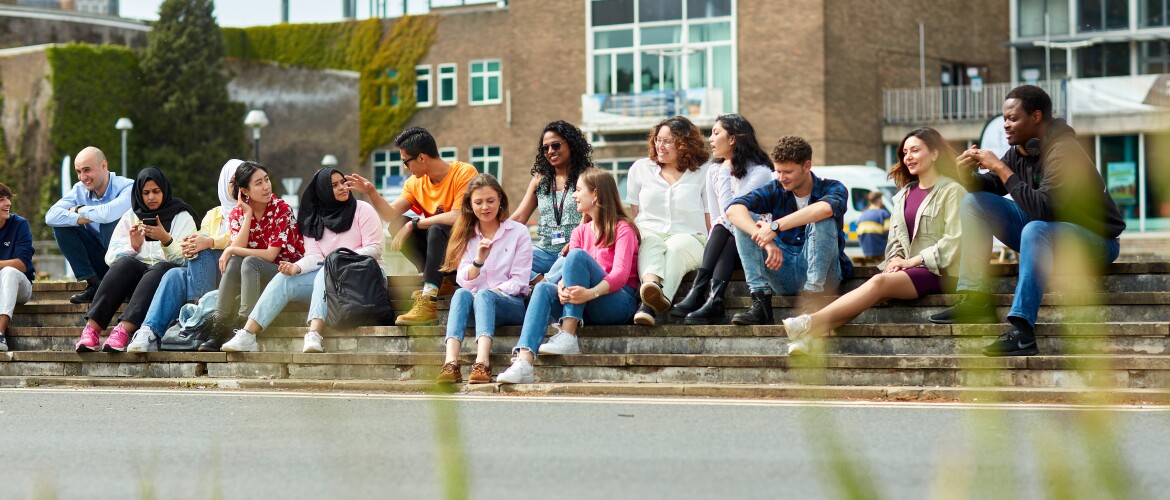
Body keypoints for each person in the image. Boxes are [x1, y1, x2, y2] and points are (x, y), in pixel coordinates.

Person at [929, 85, 1125, 357]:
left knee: (1035, 228)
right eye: (1004, 118)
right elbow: (992, 186)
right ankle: (975, 300)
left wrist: (1000, 166)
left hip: (1096, 240)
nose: (1006, 125)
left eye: (1013, 118)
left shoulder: (1064, 150)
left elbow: (1043, 208)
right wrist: (967, 176)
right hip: (1048, 232)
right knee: (974, 202)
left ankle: (1022, 333)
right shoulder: (1022, 150)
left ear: (1036, 117)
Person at [782, 128, 964, 355]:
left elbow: (955, 240)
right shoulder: (905, 194)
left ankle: (807, 322)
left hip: (940, 271)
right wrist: (896, 259)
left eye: (915, 150)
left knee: (878, 284)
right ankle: (807, 338)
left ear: (935, 154)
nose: (908, 157)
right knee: (873, 290)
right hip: (908, 271)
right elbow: (897, 239)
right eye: (905, 152)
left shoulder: (952, 191)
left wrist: (913, 261)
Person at [219, 167, 385, 353]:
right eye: (334, 185)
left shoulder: (363, 210)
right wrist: (296, 268)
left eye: (343, 183)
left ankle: (314, 333)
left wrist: (338, 260)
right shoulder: (314, 219)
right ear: (322, 190)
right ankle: (248, 334)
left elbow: (374, 249)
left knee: (327, 268)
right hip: (329, 282)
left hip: (363, 276)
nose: (342, 188)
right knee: (286, 278)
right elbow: (314, 257)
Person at [497, 170, 639, 384]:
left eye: (579, 190)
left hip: (617, 302)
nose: (574, 195)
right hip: (585, 304)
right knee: (544, 288)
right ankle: (524, 362)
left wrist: (590, 293)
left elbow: (619, 275)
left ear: (596, 195)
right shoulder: (579, 232)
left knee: (576, 255)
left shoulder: (623, 229)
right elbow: (571, 271)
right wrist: (563, 286)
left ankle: (568, 333)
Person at [348, 127, 478, 327]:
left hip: (465, 249)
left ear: (422, 158)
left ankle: (428, 301)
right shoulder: (414, 183)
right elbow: (390, 214)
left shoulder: (464, 172)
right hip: (440, 254)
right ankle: (437, 281)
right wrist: (371, 192)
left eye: (406, 162)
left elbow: (457, 216)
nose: (405, 168)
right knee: (397, 224)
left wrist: (416, 223)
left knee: (434, 227)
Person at [725, 135, 853, 325]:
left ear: (807, 166)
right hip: (782, 269)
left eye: (788, 172)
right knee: (746, 221)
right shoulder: (775, 188)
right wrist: (766, 241)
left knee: (822, 218)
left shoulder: (832, 187)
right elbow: (733, 211)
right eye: (778, 171)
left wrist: (775, 227)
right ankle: (760, 303)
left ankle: (811, 304)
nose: (781, 178)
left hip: (825, 277)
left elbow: (825, 209)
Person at [73, 167, 199, 352]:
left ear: (164, 190)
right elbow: (111, 257)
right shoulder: (131, 216)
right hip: (135, 280)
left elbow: (189, 258)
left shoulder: (181, 216)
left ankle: (123, 331)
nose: (151, 197)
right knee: (125, 263)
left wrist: (167, 240)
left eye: (156, 191)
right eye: (145, 193)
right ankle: (91, 330)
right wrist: (133, 246)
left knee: (160, 268)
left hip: (164, 279)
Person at [669, 115, 774, 324]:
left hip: (755, 248)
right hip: (728, 246)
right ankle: (713, 298)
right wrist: (721, 170)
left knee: (731, 220)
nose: (710, 139)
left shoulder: (760, 172)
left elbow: (732, 211)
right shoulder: (713, 170)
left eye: (716, 133)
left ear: (733, 139)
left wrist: (726, 171)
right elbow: (717, 217)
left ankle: (699, 292)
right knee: (724, 229)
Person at [127, 160, 240, 352]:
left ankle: (195, 320)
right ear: (223, 184)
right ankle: (149, 331)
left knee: (201, 247)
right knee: (174, 274)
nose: (238, 188)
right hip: (205, 274)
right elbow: (190, 250)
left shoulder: (254, 211)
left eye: (242, 182)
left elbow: (245, 240)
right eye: (232, 183)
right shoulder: (213, 214)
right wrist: (182, 245)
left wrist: (211, 242)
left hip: (232, 272)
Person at [437, 174, 532, 384]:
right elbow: (463, 280)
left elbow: (520, 282)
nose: (485, 207)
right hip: (476, 307)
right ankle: (451, 363)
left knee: (484, 296)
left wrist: (489, 294)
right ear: (470, 205)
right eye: (478, 202)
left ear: (500, 200)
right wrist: (478, 261)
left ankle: (483, 363)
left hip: (511, 305)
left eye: (490, 201)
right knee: (461, 293)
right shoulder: (466, 235)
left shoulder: (518, 232)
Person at [201, 161, 305, 352]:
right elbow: (239, 248)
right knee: (235, 262)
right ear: (245, 191)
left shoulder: (281, 209)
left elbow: (270, 254)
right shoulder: (238, 214)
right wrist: (247, 215)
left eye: (266, 180)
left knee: (248, 261)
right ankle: (218, 327)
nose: (266, 187)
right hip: (255, 277)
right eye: (258, 183)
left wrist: (231, 249)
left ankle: (244, 327)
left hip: (286, 273)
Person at [625, 116, 710, 326]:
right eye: (657, 140)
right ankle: (652, 290)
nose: (660, 146)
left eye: (668, 141)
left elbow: (710, 216)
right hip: (649, 231)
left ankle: (648, 306)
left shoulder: (704, 172)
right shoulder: (640, 169)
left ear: (685, 144)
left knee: (674, 247)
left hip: (691, 237)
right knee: (651, 241)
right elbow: (636, 214)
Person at [44, 147, 133, 304]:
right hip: (100, 259)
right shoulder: (79, 190)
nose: (82, 177)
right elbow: (51, 216)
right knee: (61, 226)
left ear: (104, 165)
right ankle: (94, 284)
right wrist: (81, 219)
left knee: (109, 223)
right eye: (78, 171)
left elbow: (108, 214)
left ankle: (124, 287)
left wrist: (79, 210)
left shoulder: (128, 186)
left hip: (128, 265)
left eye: (87, 170)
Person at [509, 120, 592, 284]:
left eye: (556, 145)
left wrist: (575, 244)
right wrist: (495, 237)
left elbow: (594, 217)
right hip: (544, 250)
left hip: (575, 249)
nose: (550, 151)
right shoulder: (539, 180)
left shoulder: (588, 176)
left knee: (575, 258)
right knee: (507, 256)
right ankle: (543, 284)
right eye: (545, 148)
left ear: (571, 144)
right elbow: (519, 217)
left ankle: (545, 285)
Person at [0, 183, 35, 352]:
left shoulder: (20, 224)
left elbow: (22, 264)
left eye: (8, 199)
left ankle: (0, 333)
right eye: (1, 200)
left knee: (9, 272)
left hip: (21, 286)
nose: (8, 203)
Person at [856, 190, 890, 265]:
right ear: (880, 200)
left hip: (866, 252)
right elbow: (889, 234)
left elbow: (859, 234)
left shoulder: (862, 215)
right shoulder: (883, 214)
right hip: (881, 253)